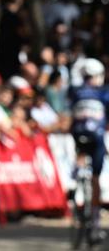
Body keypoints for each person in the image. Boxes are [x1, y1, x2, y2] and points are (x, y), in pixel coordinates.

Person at [69, 58, 109, 228]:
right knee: (95, 178)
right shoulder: (103, 92)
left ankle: (75, 175)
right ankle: (95, 219)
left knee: (80, 151)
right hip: (97, 137)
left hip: (78, 135)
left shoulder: (74, 90)